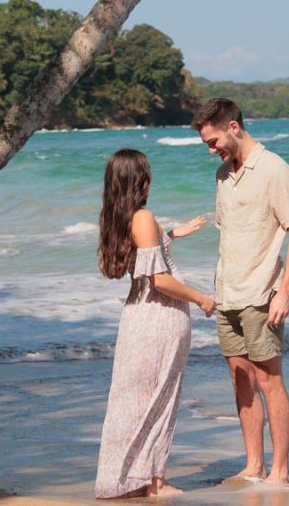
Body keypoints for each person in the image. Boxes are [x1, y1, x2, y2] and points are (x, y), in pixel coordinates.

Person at [191, 98, 289, 486]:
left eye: (213, 141)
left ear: (234, 127)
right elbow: (230, 235)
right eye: (207, 143)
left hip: (262, 293)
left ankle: (279, 470)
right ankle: (254, 464)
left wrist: (285, 292)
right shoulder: (222, 176)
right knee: (240, 378)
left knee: (269, 380)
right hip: (228, 292)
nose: (211, 149)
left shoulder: (276, 170)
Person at [94, 149, 216, 499]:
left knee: (131, 400)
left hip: (135, 316)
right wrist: (201, 298)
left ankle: (126, 478)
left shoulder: (112, 216)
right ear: (140, 179)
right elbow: (159, 280)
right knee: (160, 398)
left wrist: (173, 234)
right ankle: (155, 483)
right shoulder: (143, 216)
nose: (151, 179)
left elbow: (141, 256)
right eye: (147, 173)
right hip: (160, 316)